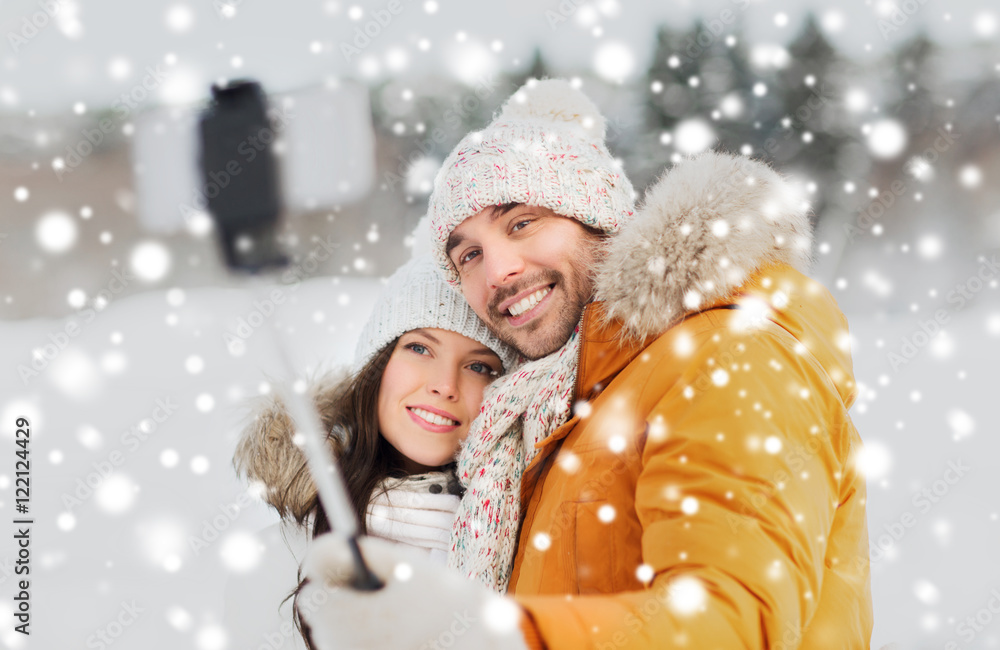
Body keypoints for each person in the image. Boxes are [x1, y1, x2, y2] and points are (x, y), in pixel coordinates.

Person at [299, 78, 873, 649]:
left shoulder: (727, 353)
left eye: (522, 222)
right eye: (468, 254)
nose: (496, 270)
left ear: (598, 218)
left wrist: (495, 635)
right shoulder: (548, 412)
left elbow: (735, 620)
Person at [226, 248, 517, 649]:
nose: (445, 385)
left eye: (479, 366)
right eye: (420, 348)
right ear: (378, 366)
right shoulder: (278, 559)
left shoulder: (523, 546)